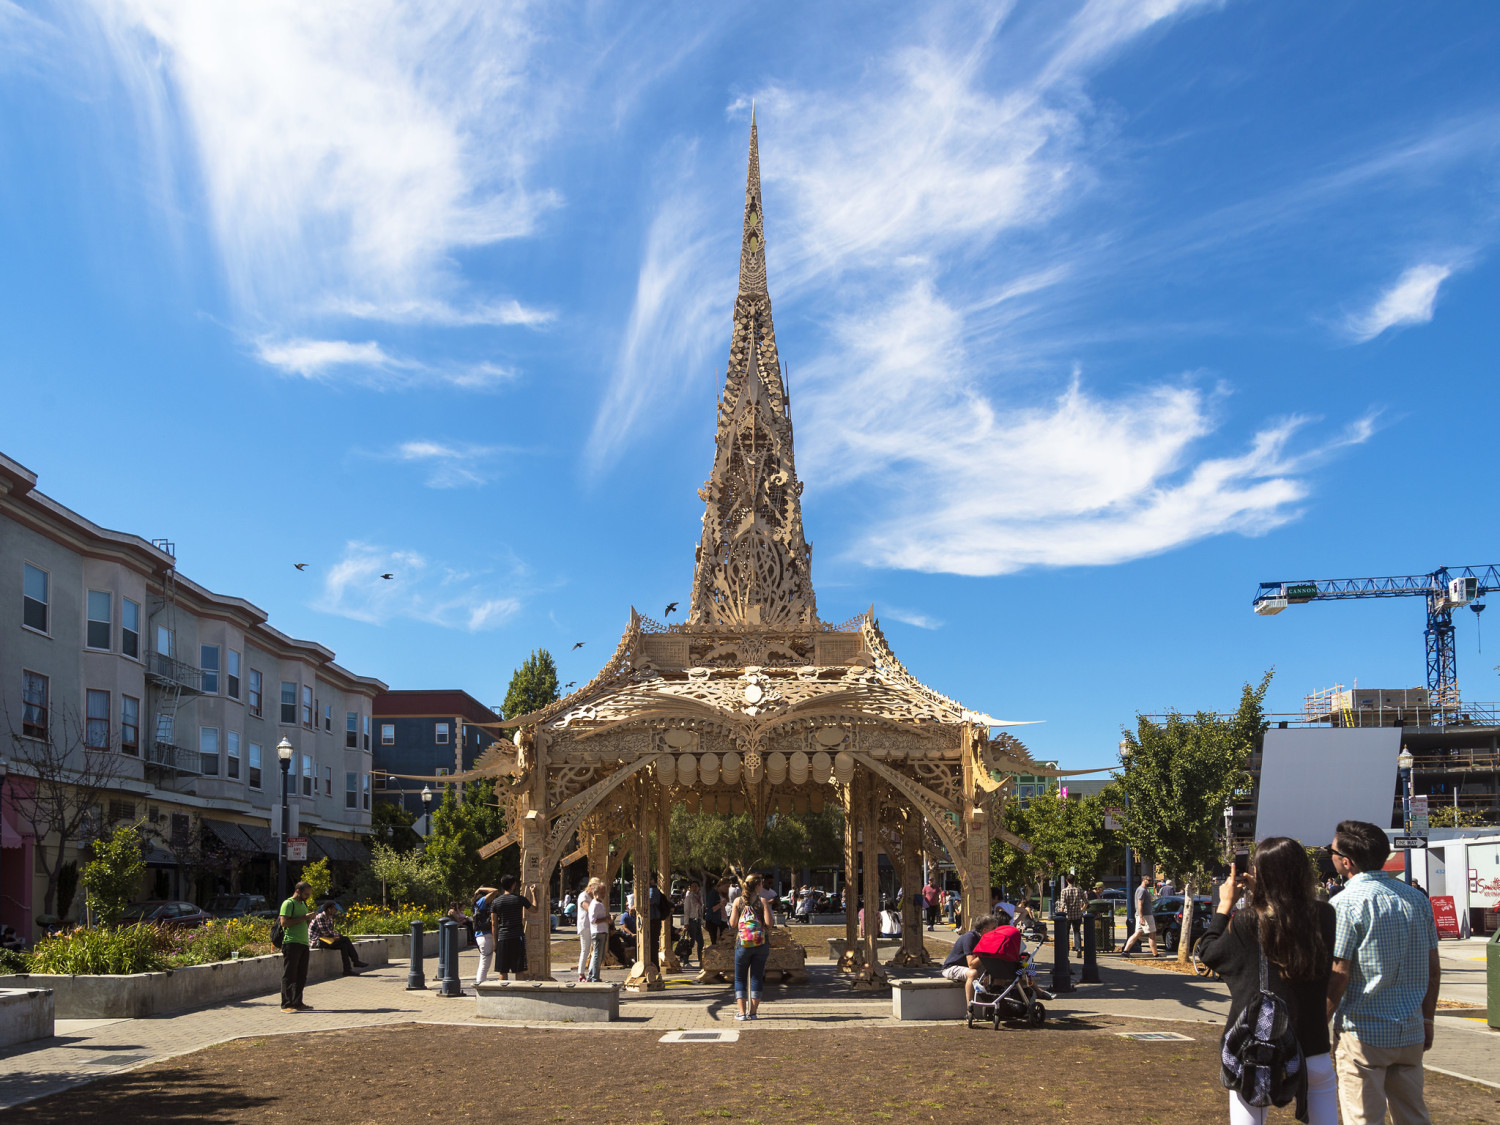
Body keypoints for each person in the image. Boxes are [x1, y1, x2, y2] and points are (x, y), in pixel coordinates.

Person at [1199, 836, 1339, 1125]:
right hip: (1313, 1045)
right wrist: (1262, 894)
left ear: (1260, 874)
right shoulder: (1325, 916)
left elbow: (1208, 952)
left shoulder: (1248, 920)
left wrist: (1225, 906)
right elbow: (1288, 915)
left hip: (1258, 1048)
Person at [1325, 819, 1440, 1125]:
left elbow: (1339, 974)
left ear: (1346, 861)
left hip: (1364, 1032)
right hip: (1411, 1028)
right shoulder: (1416, 900)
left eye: (1331, 851)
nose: (1331, 856)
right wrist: (1428, 1017)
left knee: (1363, 1118)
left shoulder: (1344, 904)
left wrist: (1318, 1019)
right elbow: (1433, 970)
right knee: (1413, 1116)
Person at [729, 873, 774, 1020]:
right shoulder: (763, 901)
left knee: (740, 978)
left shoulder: (738, 901)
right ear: (757, 886)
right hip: (761, 944)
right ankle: (753, 1012)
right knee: (756, 977)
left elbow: (733, 924)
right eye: (761, 884)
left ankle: (741, 1013)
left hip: (742, 944)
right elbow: (769, 924)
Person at [941, 914, 998, 1005]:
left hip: (968, 967)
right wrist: (987, 952)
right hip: (951, 967)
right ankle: (970, 1008)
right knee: (973, 973)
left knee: (999, 970)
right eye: (993, 928)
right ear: (984, 930)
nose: (996, 931)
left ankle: (995, 1004)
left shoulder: (986, 938)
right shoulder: (970, 937)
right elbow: (971, 964)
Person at [279, 881, 315, 1013]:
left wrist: (308, 919)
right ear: (298, 891)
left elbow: (302, 921)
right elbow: (284, 922)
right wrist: (304, 917)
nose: (308, 897)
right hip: (291, 943)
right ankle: (287, 1003)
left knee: (301, 975)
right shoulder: (288, 903)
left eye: (309, 895)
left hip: (304, 943)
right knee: (290, 974)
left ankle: (297, 1002)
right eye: (306, 894)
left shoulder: (302, 904)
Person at [491, 874, 534, 980]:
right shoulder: (519, 899)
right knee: (518, 969)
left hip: (502, 937)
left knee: (502, 969)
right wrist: (533, 894)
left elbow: (494, 924)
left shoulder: (496, 902)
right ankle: (519, 993)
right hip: (517, 936)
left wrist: (495, 943)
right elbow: (535, 909)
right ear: (513, 885)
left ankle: (502, 993)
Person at [308, 901, 369, 977]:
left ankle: (347, 970)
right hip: (316, 941)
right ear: (329, 909)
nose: (336, 910)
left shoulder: (329, 918)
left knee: (344, 946)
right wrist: (338, 936)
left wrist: (336, 936)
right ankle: (355, 961)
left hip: (326, 940)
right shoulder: (320, 917)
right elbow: (326, 933)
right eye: (334, 908)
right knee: (345, 939)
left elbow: (330, 932)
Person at [1121, 872, 1159, 958]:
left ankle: (1125, 951)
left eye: (1150, 880)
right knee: (1152, 934)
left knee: (1137, 934)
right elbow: (1139, 904)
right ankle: (1155, 954)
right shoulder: (1141, 890)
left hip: (1143, 915)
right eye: (1148, 880)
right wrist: (1141, 917)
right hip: (1145, 916)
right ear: (1143, 880)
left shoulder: (1144, 890)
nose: (1149, 881)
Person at [472, 884, 501, 986]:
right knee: (484, 964)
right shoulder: (481, 902)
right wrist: (480, 889)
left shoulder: (478, 904)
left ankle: (480, 983)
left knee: (484, 963)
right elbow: (495, 891)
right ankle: (480, 984)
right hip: (485, 936)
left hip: (481, 936)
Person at [586, 883, 611, 981]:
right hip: (598, 932)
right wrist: (605, 919)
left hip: (601, 931)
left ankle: (591, 975)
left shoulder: (599, 904)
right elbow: (593, 920)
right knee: (597, 955)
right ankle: (594, 977)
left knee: (597, 955)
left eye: (604, 892)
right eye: (602, 892)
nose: (604, 894)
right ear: (596, 893)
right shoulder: (595, 904)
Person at [574, 879, 597, 981]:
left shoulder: (592, 896)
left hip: (592, 925)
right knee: (585, 949)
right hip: (585, 925)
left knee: (595, 949)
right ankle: (581, 973)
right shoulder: (583, 895)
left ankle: (592, 972)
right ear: (591, 886)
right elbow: (588, 908)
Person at [1060, 875, 1088, 953]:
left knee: (1066, 933)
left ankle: (1066, 950)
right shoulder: (1079, 890)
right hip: (1077, 914)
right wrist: (1081, 909)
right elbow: (1086, 902)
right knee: (1077, 931)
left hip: (1067, 915)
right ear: (1074, 881)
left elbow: (1062, 904)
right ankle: (1078, 948)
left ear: (1066, 881)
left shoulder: (1064, 891)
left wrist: (1061, 912)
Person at [682, 881, 704, 965]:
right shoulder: (689, 897)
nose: (694, 888)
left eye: (696, 886)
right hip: (691, 921)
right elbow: (686, 911)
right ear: (690, 888)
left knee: (701, 942)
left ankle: (701, 960)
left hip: (697, 920)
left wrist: (701, 920)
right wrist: (686, 923)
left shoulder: (700, 897)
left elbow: (700, 910)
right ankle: (685, 960)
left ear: (698, 887)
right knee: (691, 942)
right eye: (692, 886)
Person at [704, 879, 726, 945]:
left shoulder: (722, 893)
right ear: (720, 885)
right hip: (713, 921)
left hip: (721, 920)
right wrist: (720, 904)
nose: (727, 888)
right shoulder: (712, 894)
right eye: (726, 886)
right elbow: (710, 909)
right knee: (715, 942)